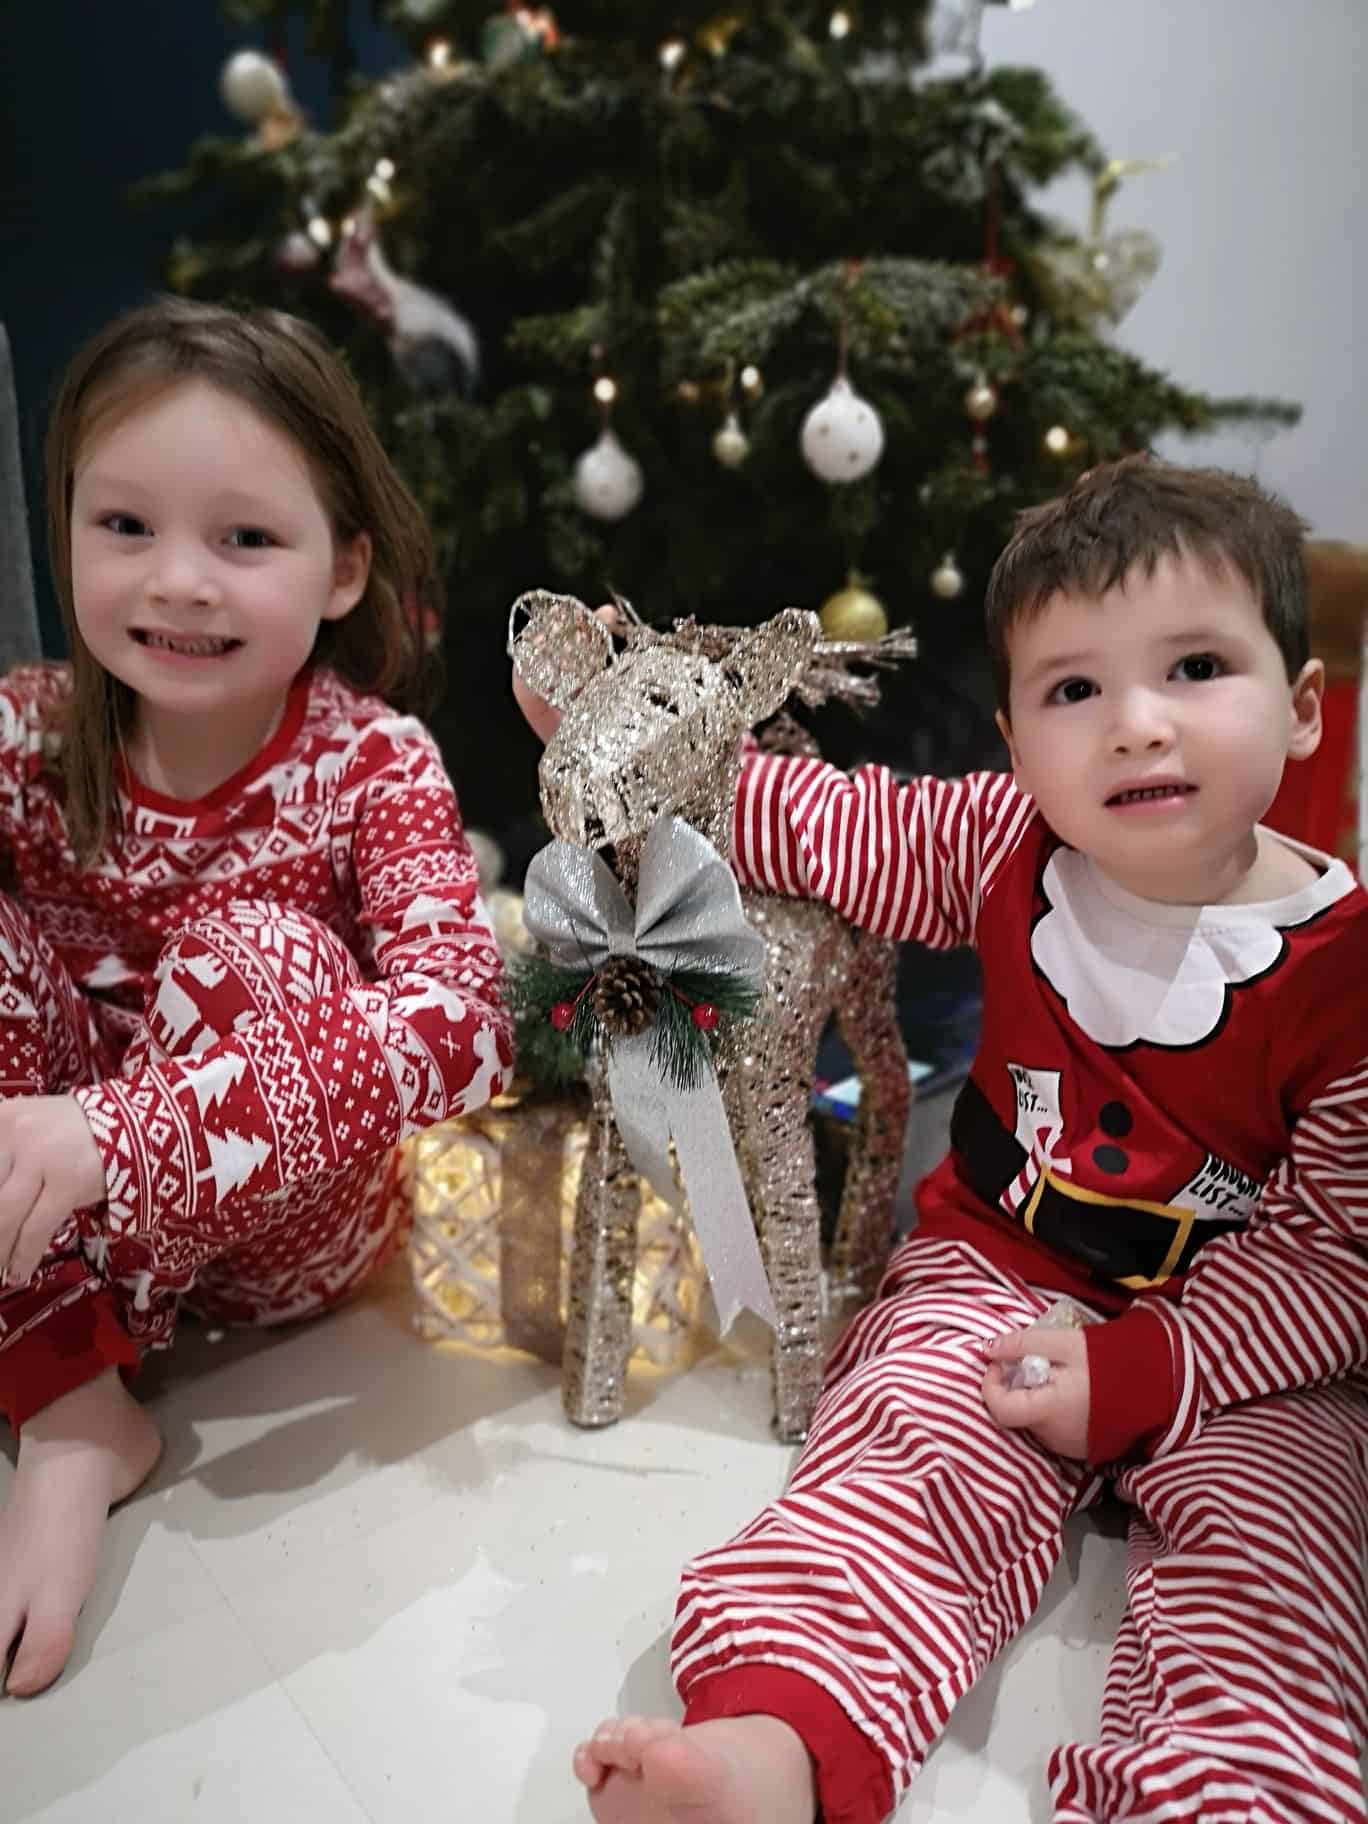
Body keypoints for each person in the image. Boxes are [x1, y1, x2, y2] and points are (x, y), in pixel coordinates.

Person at [519, 458, 1368, 1823]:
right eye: (1075, 690)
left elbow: (1337, 1263)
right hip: (1004, 1274)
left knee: (1282, 1572)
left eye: (1196, 667)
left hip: (1242, 1346)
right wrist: (622, 741)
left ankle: (1229, 1797)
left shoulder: (1347, 974)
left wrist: (1153, 1368)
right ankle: (771, 1746)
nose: (1137, 725)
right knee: (898, 1453)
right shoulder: (999, 839)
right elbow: (824, 822)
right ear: (1018, 741)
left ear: (1305, 709)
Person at [0, 298, 513, 1698]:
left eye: (244, 538)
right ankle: (73, 1393)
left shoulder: (375, 763)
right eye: (124, 529)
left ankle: (65, 1376)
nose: (180, 583)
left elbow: (466, 1025)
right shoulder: (26, 736)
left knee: (256, 952)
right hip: (50, 1236)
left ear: (345, 569)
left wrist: (124, 1136)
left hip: (285, 1244)